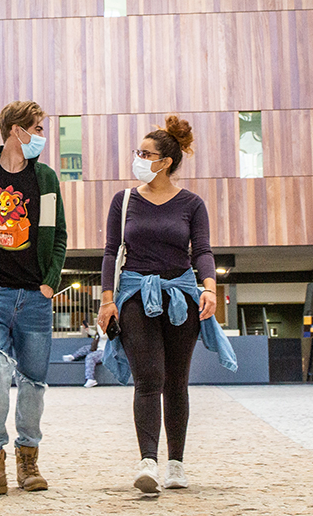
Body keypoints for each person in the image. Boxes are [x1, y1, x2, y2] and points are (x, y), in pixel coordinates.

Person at [97, 116, 236, 494]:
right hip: (136, 295)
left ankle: (176, 464)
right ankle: (148, 462)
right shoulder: (124, 201)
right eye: (137, 152)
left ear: (167, 161)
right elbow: (111, 252)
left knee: (176, 382)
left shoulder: (192, 203)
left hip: (182, 297)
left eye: (147, 153)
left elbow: (202, 250)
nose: (139, 158)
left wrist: (209, 287)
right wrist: (107, 299)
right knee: (148, 379)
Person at [0, 101, 68, 496]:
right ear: (16, 130)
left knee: (34, 381)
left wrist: (50, 282)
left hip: (36, 297)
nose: (42, 135)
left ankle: (28, 458)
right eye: (37, 127)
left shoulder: (46, 178)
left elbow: (58, 236)